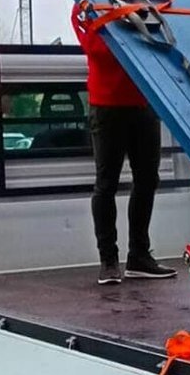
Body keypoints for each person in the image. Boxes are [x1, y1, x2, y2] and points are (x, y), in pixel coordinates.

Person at [74, 18, 177, 285]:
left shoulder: (141, 5)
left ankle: (139, 256)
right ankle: (108, 261)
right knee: (106, 184)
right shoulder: (86, 7)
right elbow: (95, 48)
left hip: (144, 103)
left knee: (147, 180)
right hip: (106, 106)